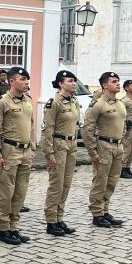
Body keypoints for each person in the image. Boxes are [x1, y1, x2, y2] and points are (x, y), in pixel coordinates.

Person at [0, 66, 34, 246]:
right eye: (22, 79)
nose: (26, 82)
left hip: (26, 151)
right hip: (9, 152)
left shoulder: (28, 100)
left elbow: (31, 124)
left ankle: (14, 227)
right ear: (12, 81)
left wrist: (33, 146)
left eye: (27, 79)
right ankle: (4, 229)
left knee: (20, 192)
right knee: (6, 192)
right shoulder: (2, 102)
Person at [82, 72, 127, 228]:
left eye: (118, 81)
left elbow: (124, 125)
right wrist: (93, 151)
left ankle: (105, 210)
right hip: (104, 146)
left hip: (118, 146)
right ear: (105, 85)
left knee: (112, 181)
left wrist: (122, 142)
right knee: (100, 181)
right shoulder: (98, 104)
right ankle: (97, 213)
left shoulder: (120, 104)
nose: (118, 84)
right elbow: (87, 129)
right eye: (114, 81)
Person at [41, 70, 81, 236]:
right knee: (56, 185)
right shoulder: (54, 103)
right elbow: (47, 129)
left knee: (66, 184)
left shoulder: (74, 101)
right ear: (61, 84)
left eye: (74, 81)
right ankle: (51, 221)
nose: (74, 83)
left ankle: (59, 218)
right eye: (70, 81)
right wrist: (49, 153)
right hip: (58, 144)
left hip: (71, 144)